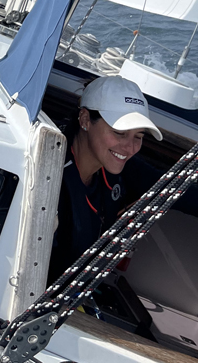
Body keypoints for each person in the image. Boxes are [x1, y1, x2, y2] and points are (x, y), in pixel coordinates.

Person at [47, 75, 163, 284]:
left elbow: (179, 188)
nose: (129, 147)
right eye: (119, 132)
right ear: (84, 120)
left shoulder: (117, 162)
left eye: (138, 136)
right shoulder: (46, 168)